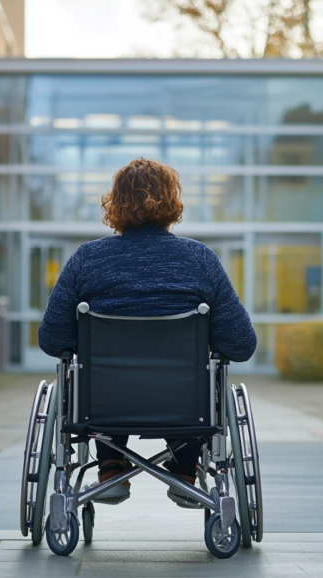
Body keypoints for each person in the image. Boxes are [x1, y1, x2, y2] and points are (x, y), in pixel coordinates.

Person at [38, 158, 257, 507]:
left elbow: (53, 341)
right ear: (173, 201)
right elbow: (241, 344)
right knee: (200, 379)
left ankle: (110, 467)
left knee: (100, 381)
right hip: (186, 405)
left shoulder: (87, 259)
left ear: (114, 203)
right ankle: (186, 470)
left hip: (102, 405)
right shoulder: (200, 259)